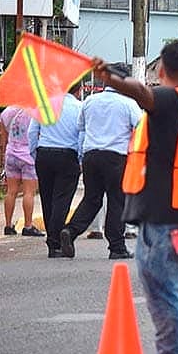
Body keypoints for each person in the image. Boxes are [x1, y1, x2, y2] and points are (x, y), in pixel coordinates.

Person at [92, 41, 178, 354]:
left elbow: (141, 92)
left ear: (162, 69)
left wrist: (109, 78)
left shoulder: (170, 100)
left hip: (164, 217)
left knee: (163, 296)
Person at [60, 63, 142, 259]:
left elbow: (81, 126)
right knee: (116, 200)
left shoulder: (90, 101)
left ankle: (70, 231)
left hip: (91, 156)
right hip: (116, 157)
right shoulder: (128, 103)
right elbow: (140, 125)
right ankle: (117, 247)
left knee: (91, 198)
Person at [28, 83, 83, 258]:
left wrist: (35, 153)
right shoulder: (78, 107)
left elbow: (32, 132)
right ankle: (55, 241)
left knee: (47, 198)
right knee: (62, 199)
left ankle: (52, 243)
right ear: (78, 89)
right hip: (68, 155)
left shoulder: (44, 104)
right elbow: (81, 134)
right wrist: (80, 158)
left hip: (44, 153)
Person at [0, 106, 44, 237]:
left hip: (11, 154)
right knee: (29, 192)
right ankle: (28, 226)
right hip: (27, 155)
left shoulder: (7, 111)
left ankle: (8, 225)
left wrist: (4, 155)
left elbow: (4, 137)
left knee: (11, 191)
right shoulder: (36, 111)